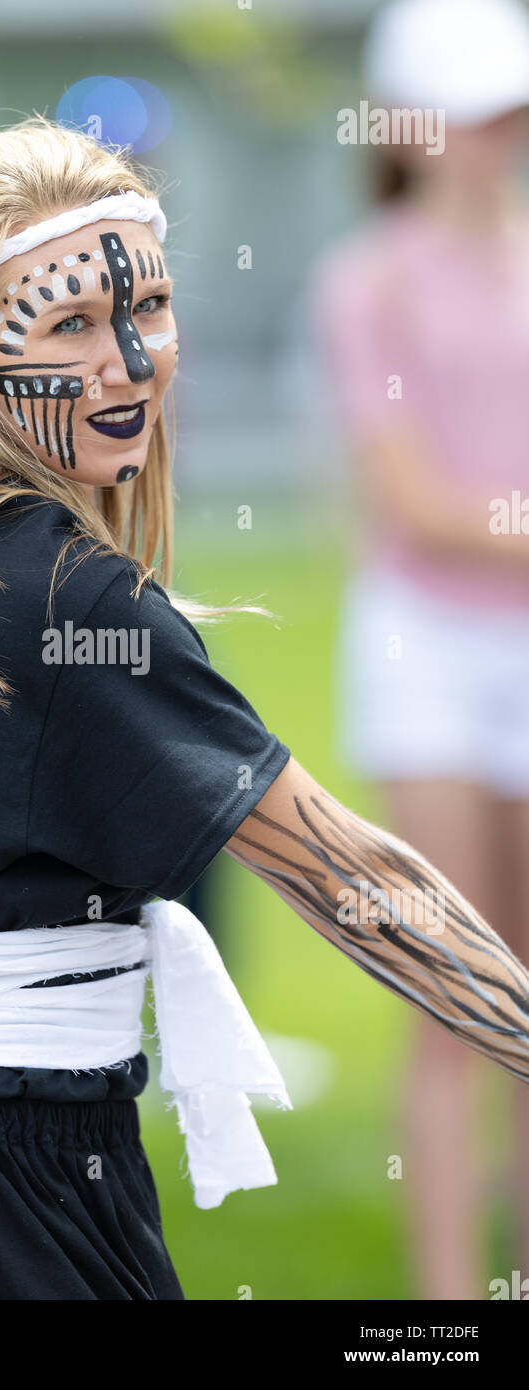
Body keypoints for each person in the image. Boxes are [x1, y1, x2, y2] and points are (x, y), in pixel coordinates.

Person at [0, 116, 529, 1302]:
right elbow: (348, 879)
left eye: (151, 305)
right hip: (7, 1201)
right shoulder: (69, 598)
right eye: (70, 322)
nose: (132, 356)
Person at [311, 0, 529, 1300]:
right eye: (469, 111)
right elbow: (412, 499)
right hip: (427, 651)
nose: (492, 136)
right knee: (455, 990)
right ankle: (449, 1304)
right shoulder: (368, 279)